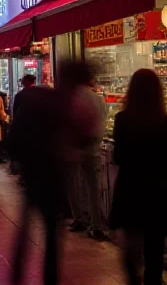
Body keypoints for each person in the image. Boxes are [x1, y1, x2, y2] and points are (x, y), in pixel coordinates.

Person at [110, 69, 167, 285]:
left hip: (130, 187)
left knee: (132, 243)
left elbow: (118, 156)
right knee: (155, 244)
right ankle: (153, 280)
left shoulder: (122, 119)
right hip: (157, 188)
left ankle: (133, 278)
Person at [8, 80, 64, 285]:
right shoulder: (57, 119)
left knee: (24, 231)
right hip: (53, 181)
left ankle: (17, 275)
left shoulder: (24, 117)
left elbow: (12, 145)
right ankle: (51, 277)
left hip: (32, 179)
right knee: (51, 234)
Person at [61, 61, 107, 240]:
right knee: (92, 186)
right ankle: (96, 224)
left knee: (73, 184)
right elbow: (103, 119)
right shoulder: (97, 98)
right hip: (93, 147)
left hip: (73, 149)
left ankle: (79, 218)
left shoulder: (70, 97)